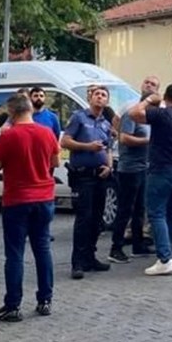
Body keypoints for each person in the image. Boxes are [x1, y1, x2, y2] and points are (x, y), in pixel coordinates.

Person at [0, 93, 59, 322]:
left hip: (17, 199)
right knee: (43, 249)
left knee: (15, 254)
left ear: (11, 112)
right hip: (44, 197)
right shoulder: (46, 132)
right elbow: (54, 162)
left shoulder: (9, 136)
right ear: (30, 108)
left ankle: (13, 305)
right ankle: (45, 300)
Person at [128, 82, 172, 276]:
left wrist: (149, 99)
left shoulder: (162, 114)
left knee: (157, 214)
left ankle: (165, 259)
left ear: (165, 97)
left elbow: (134, 114)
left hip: (161, 171)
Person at [61, 87, 114, 280]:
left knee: (97, 219)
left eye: (104, 95)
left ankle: (90, 257)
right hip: (82, 176)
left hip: (100, 176)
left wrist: (109, 166)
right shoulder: (79, 118)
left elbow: (108, 148)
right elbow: (65, 141)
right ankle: (78, 262)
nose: (100, 97)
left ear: (107, 101)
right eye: (97, 94)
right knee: (84, 218)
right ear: (90, 98)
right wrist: (87, 147)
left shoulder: (106, 124)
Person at [107, 75, 159, 264]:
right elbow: (124, 138)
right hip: (129, 168)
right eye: (146, 82)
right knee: (125, 209)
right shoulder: (132, 112)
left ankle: (138, 245)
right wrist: (148, 142)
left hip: (145, 167)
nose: (149, 85)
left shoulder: (153, 115)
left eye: (153, 84)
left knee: (140, 208)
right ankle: (116, 247)